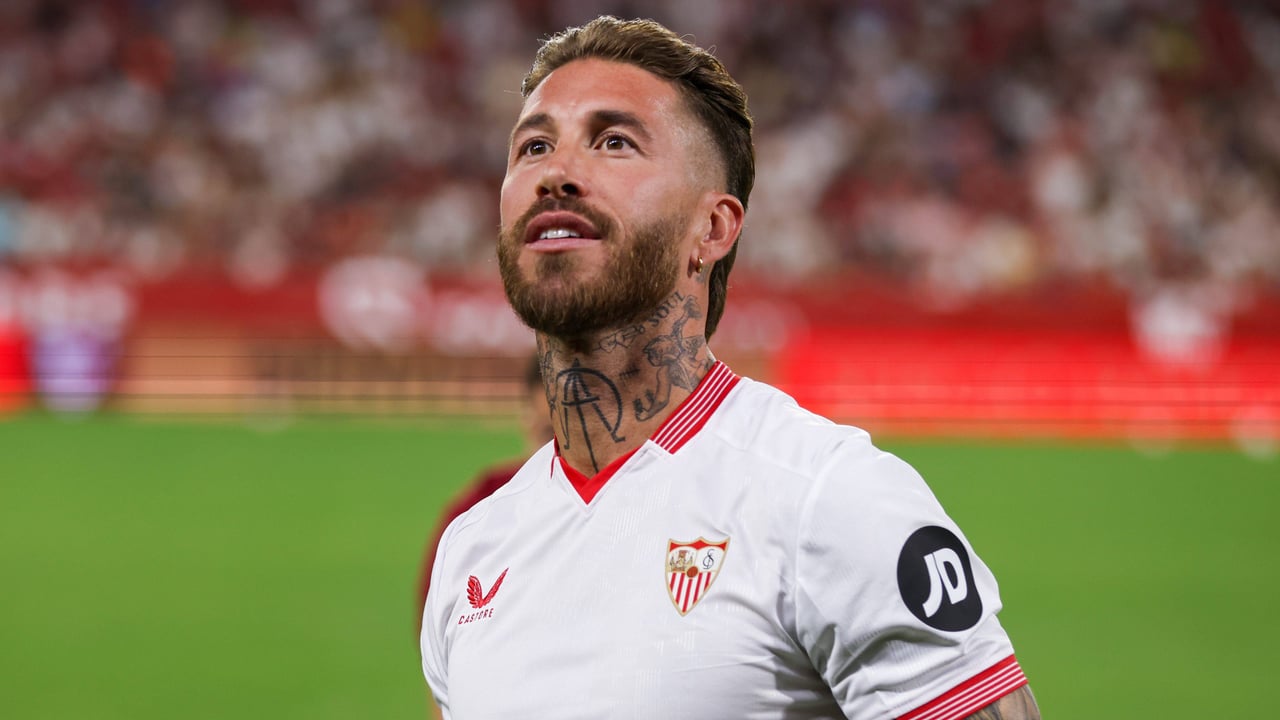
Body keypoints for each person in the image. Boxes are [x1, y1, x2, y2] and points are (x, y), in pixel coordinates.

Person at [420, 16, 1039, 720]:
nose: (555, 173)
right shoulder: (473, 552)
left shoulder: (829, 499)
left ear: (712, 228)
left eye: (614, 142)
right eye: (533, 146)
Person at [415, 354, 550, 628]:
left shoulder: (624, 505)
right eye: (549, 434)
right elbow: (436, 625)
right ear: (527, 420)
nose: (559, 450)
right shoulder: (479, 508)